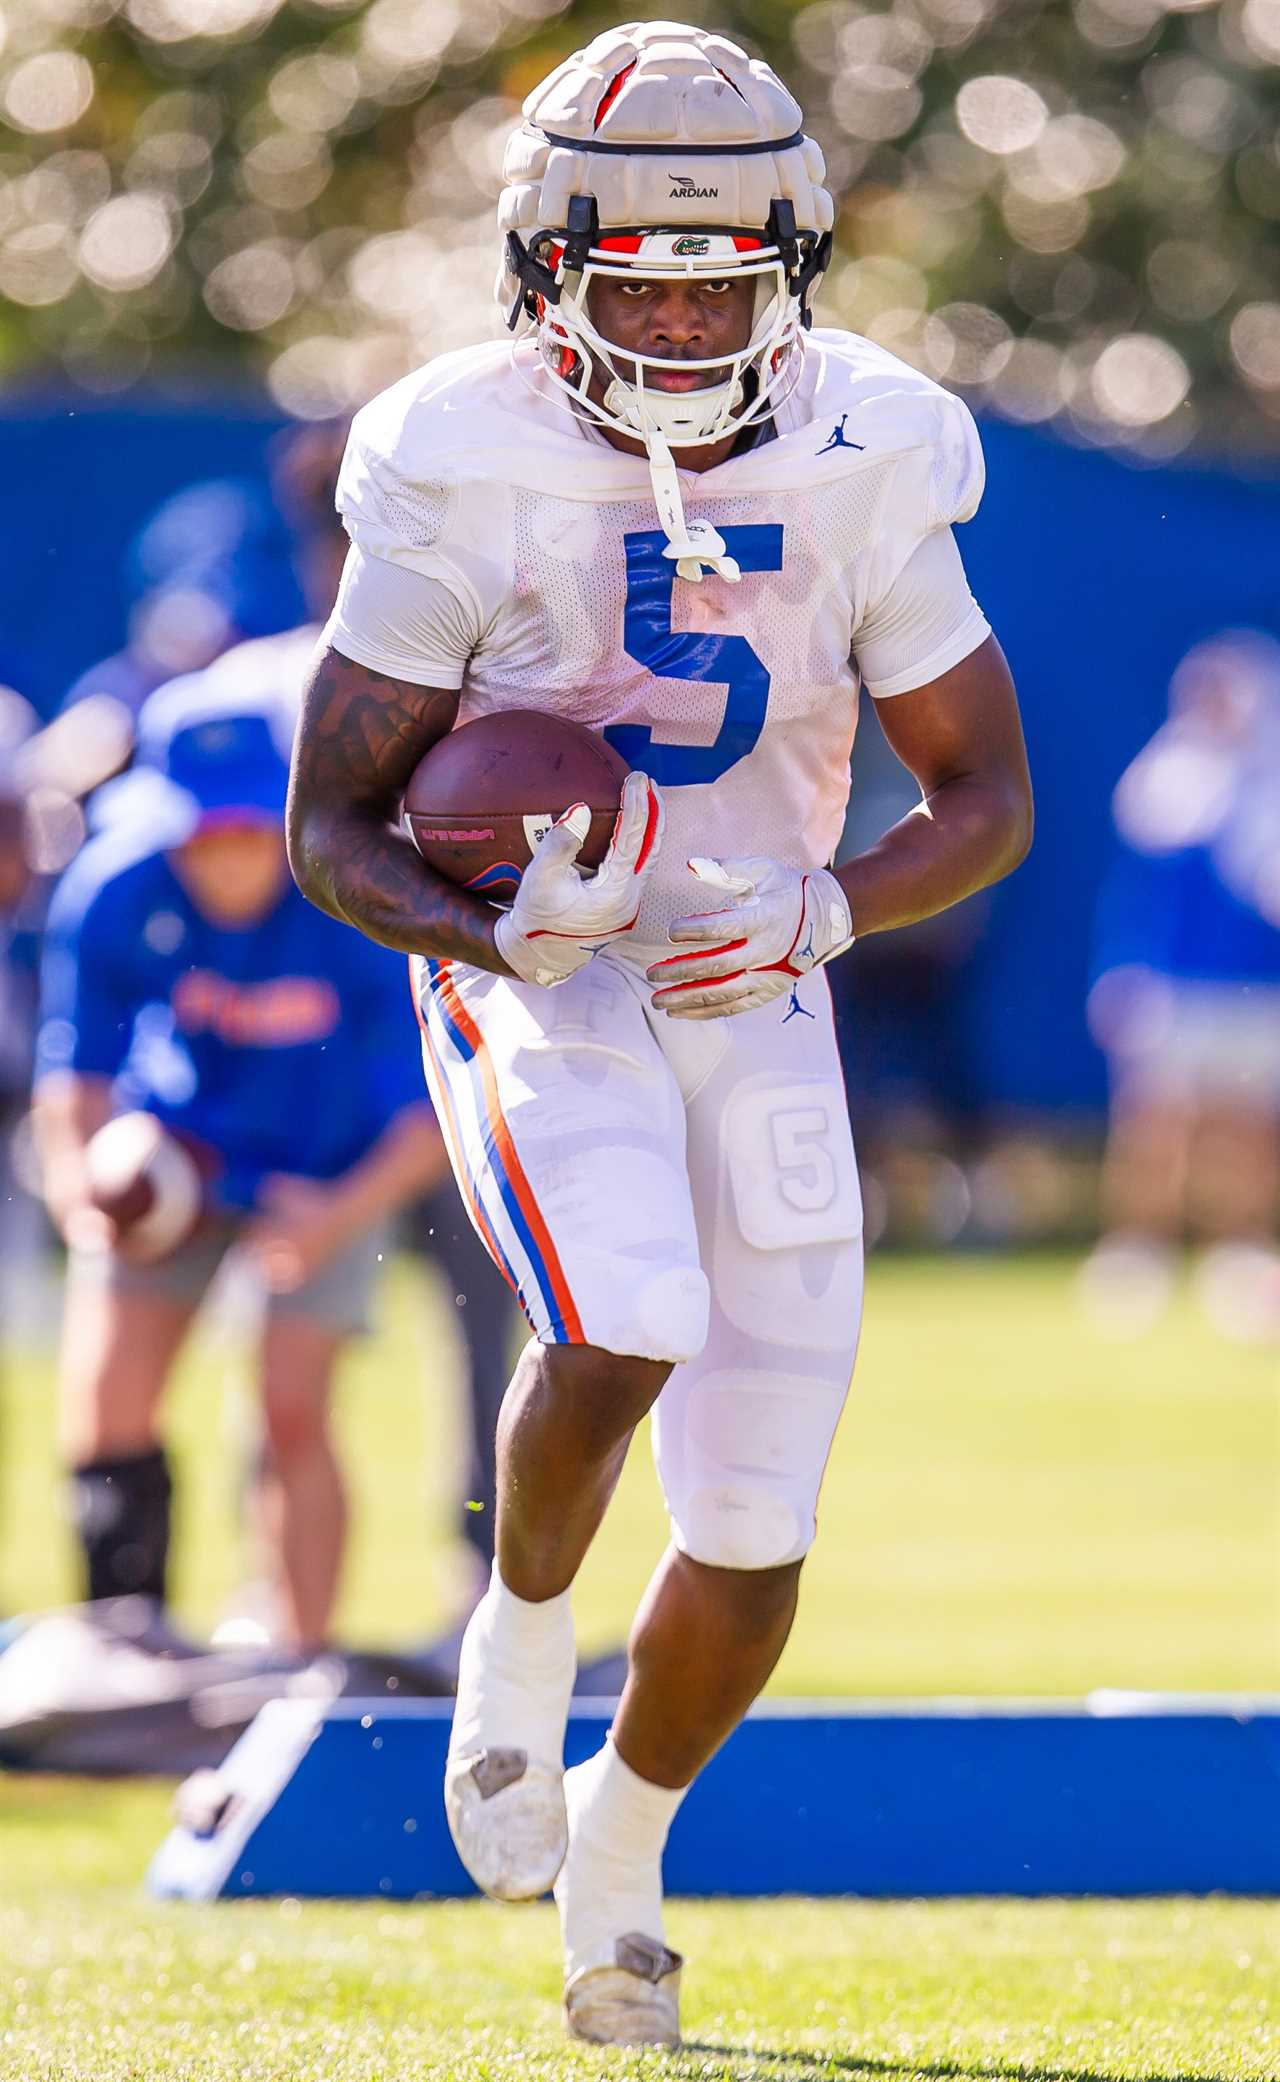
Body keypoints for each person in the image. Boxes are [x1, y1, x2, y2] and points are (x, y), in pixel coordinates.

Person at [286, 21, 1032, 2048]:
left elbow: (983, 792)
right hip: (541, 968)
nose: (690, 313)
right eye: (644, 281)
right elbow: (331, 828)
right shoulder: (456, 446)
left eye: (722, 276)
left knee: (759, 1512)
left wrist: (828, 902)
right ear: (549, 266)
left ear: (792, 255)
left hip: (759, 964)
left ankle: (620, 1861)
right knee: (625, 1308)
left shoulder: (869, 438)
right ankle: (516, 1645)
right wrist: (494, 930)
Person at [33, 684, 446, 1654]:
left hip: (330, 1173)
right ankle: (119, 1648)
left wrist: (332, 1217)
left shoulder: (354, 899)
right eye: (202, 832)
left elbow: (431, 1114)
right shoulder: (114, 889)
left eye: (248, 828)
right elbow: (75, 1074)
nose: (226, 854)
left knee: (290, 1410)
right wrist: (77, 1192)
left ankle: (298, 1666)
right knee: (106, 1403)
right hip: (174, 1157)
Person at [1084, 631, 1280, 1338]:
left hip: (1255, 993)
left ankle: (1242, 1254)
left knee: (1246, 1132)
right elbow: (1138, 897)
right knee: (1156, 1126)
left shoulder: (1270, 789)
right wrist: (1122, 974)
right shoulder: (1163, 781)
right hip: (1170, 992)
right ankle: (1137, 1256)